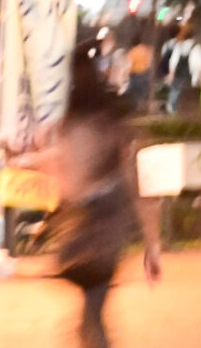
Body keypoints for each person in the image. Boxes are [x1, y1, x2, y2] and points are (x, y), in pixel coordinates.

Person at [39, 45, 160, 348]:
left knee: (91, 316)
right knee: (93, 312)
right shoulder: (113, 121)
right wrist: (152, 244)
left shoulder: (70, 124)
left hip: (84, 229)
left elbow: (68, 187)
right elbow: (138, 186)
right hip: (113, 226)